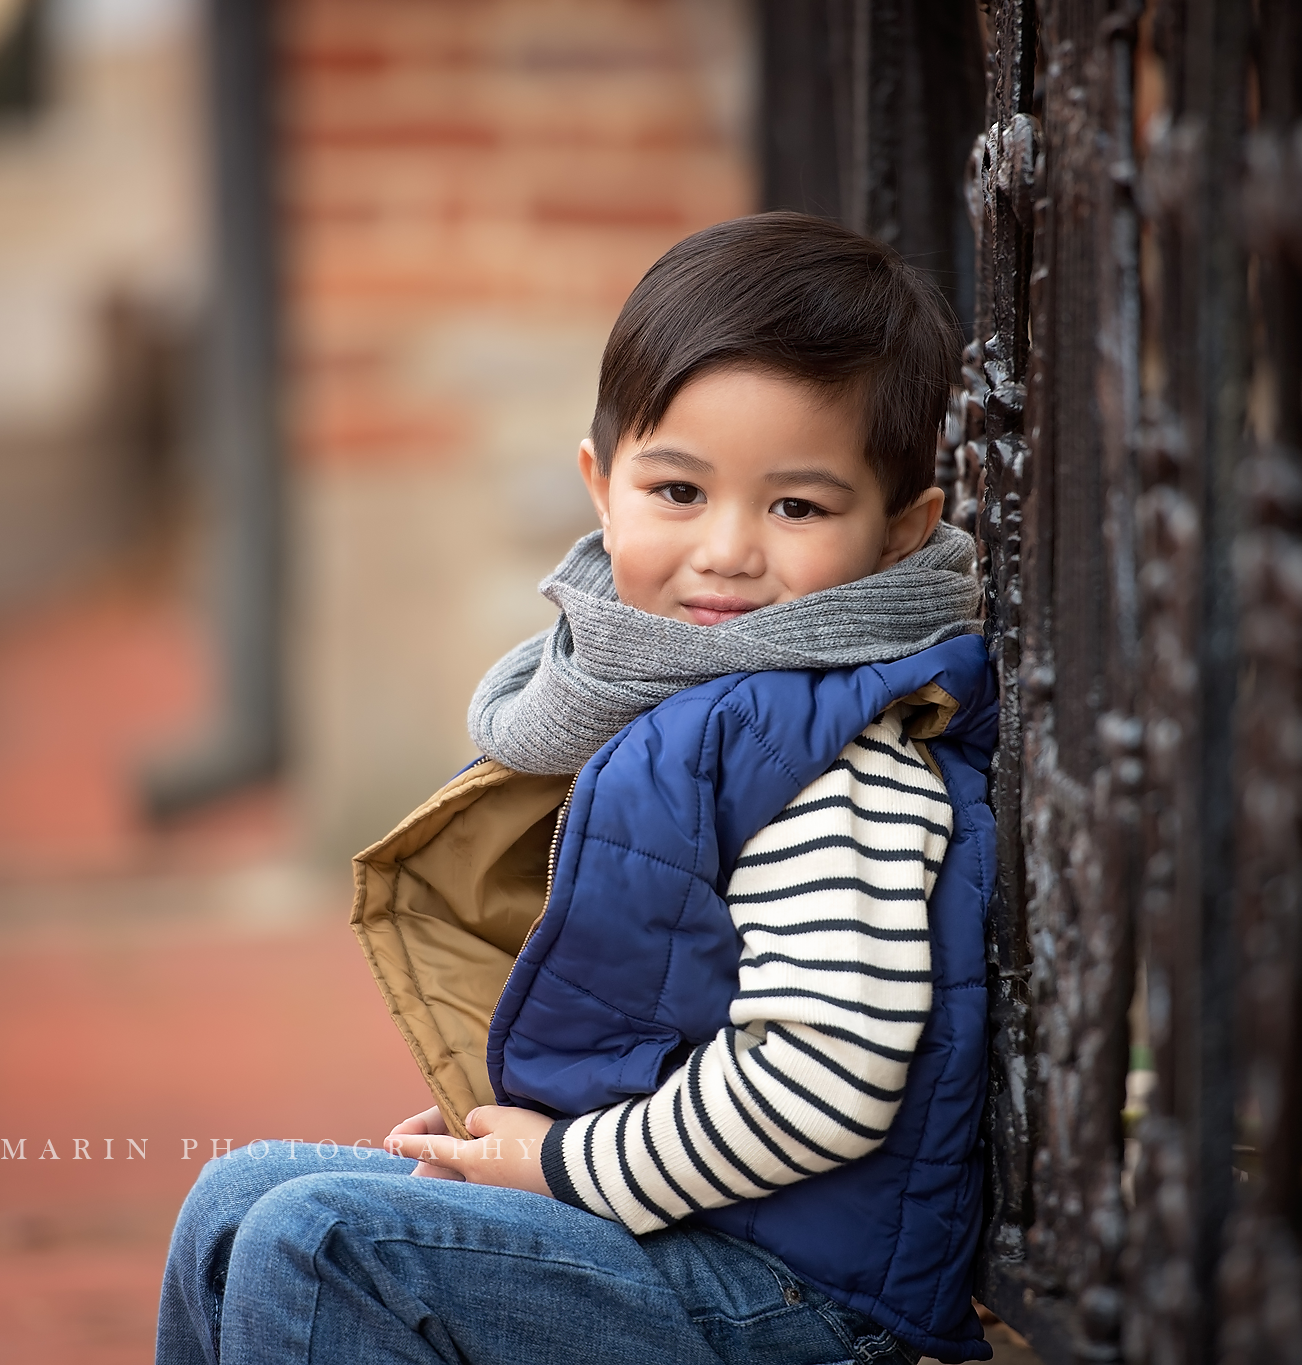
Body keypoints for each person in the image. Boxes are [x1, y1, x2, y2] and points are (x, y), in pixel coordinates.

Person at [156, 212, 997, 1365]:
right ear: (602, 485)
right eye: (677, 490)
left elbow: (826, 1080)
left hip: (803, 1301)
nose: (726, 549)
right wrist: (505, 1164)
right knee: (235, 1200)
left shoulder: (836, 755)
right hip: (697, 1221)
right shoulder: (695, 705)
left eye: (795, 506)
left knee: (323, 1241)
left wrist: (556, 1168)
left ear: (900, 533)